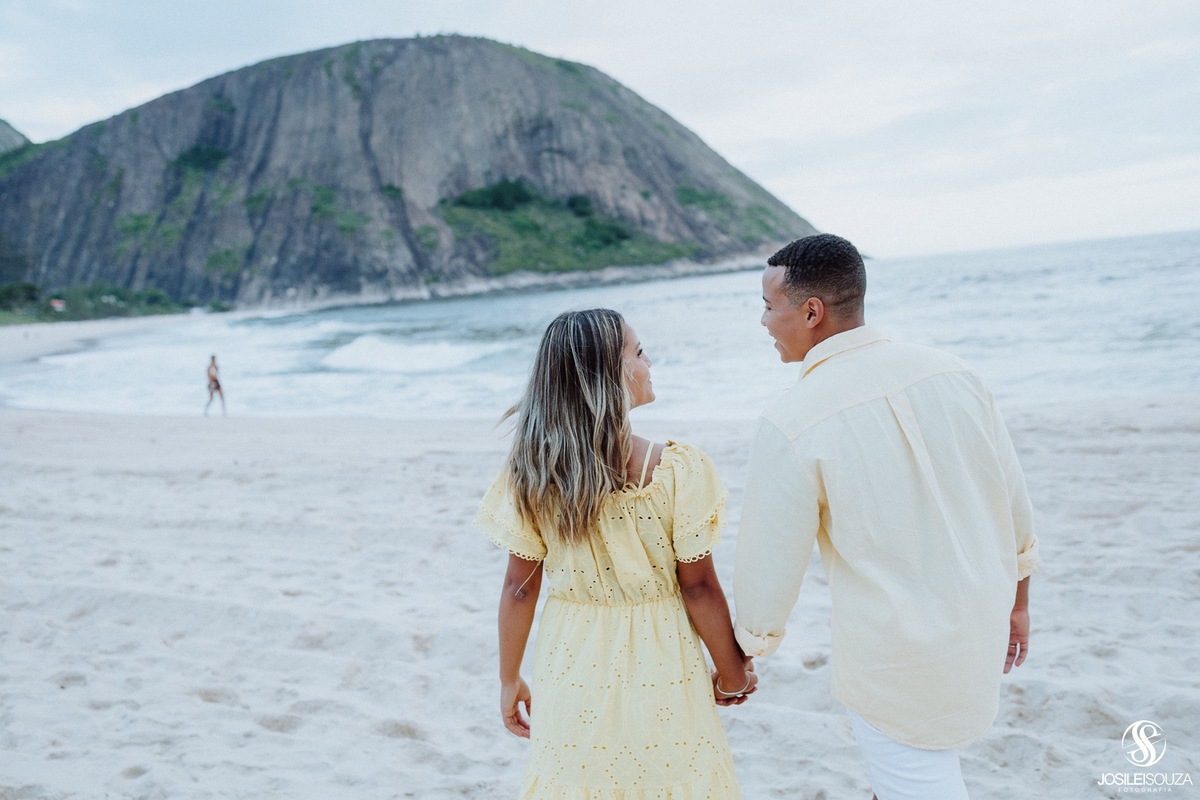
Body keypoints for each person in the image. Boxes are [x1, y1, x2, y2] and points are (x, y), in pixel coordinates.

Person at [732, 234, 1039, 800]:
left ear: (812, 312)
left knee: (919, 785)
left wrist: (745, 652)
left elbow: (769, 563)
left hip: (894, 655)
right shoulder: (955, 373)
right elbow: (1012, 501)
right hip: (979, 623)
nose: (763, 322)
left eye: (768, 306)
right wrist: (1018, 603)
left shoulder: (791, 420)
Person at [476, 308, 755, 799]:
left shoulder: (533, 472)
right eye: (640, 351)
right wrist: (732, 674)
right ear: (612, 374)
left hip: (571, 657)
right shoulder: (672, 469)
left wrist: (508, 678)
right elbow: (700, 587)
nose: (649, 362)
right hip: (661, 657)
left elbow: (518, 590)